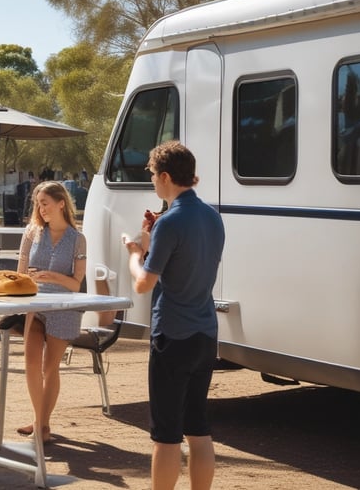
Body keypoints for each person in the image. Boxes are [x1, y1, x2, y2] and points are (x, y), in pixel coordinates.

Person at [124, 141, 225, 490]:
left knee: (166, 435)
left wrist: (135, 253)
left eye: (153, 174)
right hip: (205, 333)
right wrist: (155, 236)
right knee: (198, 427)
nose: (152, 181)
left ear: (165, 176)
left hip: (173, 334)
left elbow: (143, 284)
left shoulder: (170, 222)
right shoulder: (212, 216)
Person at [15, 181, 86, 444]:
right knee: (31, 364)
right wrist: (28, 279)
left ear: (61, 203)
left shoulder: (77, 239)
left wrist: (52, 276)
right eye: (38, 204)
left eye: (45, 203)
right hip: (35, 304)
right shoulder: (32, 232)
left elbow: (76, 284)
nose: (41, 209)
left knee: (50, 367)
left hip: (64, 307)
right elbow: (20, 273)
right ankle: (39, 422)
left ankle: (42, 423)